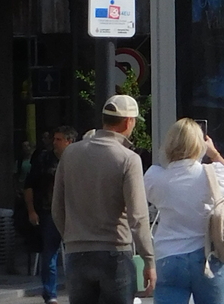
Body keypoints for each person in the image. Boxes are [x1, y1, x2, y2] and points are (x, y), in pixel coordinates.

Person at [51, 94, 155, 304]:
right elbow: (137, 216)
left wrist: (72, 237)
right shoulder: (128, 159)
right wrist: (149, 259)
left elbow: (57, 207)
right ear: (128, 122)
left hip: (77, 252)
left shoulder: (70, 154)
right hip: (115, 252)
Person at [142, 119, 224, 304]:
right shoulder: (212, 175)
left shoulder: (155, 177)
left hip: (169, 258)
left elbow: (149, 192)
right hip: (207, 256)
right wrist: (214, 153)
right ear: (199, 145)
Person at [26, 129, 76, 304]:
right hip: (50, 212)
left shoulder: (77, 159)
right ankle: (50, 294)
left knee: (77, 253)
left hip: (74, 213)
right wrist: (31, 210)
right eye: (54, 139)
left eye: (59, 139)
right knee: (49, 253)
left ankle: (78, 290)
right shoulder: (43, 160)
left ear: (69, 141)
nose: (54, 142)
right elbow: (29, 185)